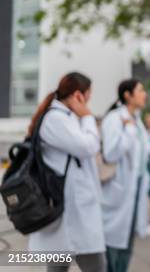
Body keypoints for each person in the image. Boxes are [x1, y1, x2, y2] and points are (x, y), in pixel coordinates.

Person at [28, 72, 106, 272]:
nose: (89, 102)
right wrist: (88, 117)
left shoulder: (65, 117)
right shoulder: (56, 119)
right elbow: (88, 146)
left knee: (60, 266)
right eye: (88, 96)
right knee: (94, 266)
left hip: (71, 209)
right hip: (71, 210)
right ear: (79, 95)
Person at [101, 79, 150, 272]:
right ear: (127, 95)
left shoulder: (137, 120)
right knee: (113, 245)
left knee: (127, 242)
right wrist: (128, 130)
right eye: (140, 90)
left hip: (134, 189)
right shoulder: (115, 119)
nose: (144, 94)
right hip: (117, 190)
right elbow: (111, 153)